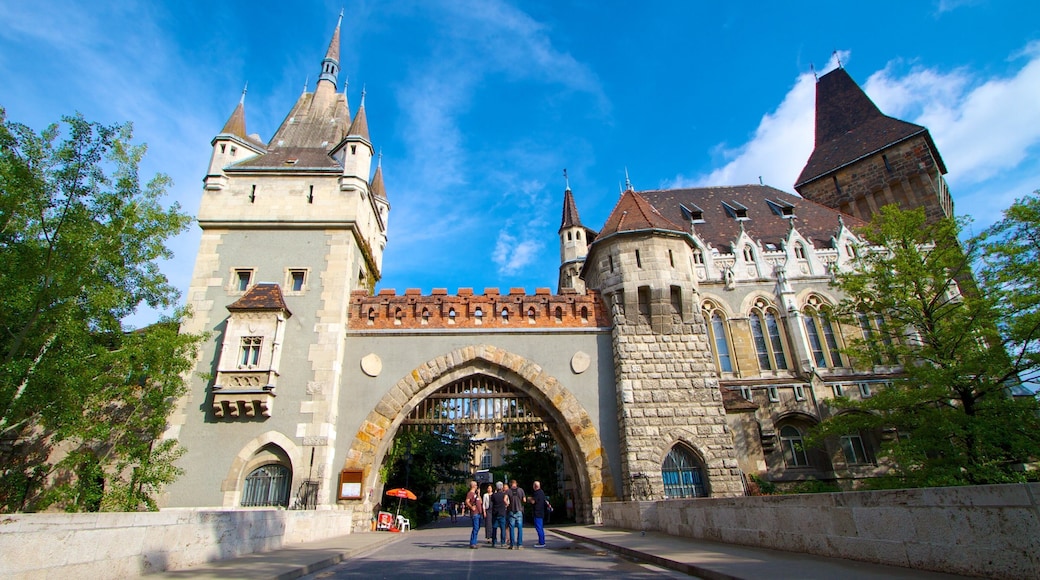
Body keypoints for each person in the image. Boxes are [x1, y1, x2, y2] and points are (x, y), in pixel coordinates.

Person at [529, 480, 552, 547]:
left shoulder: (536, 493)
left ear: (535, 486)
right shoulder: (542, 492)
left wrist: (529, 499)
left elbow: (533, 501)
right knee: (540, 527)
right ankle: (541, 541)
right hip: (541, 512)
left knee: (539, 528)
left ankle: (541, 542)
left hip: (537, 512)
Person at [506, 479, 526, 549]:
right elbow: (524, 500)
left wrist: (507, 504)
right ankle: (519, 544)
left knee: (511, 528)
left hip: (511, 510)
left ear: (511, 484)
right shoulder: (521, 490)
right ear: (516, 484)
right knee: (520, 527)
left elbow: (504, 499)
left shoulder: (508, 491)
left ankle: (512, 545)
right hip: (519, 510)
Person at [490, 481, 511, 547]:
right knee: (503, 528)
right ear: (502, 488)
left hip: (495, 513)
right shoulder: (504, 495)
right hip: (502, 513)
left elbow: (492, 500)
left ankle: (494, 541)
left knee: (494, 528)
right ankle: (502, 542)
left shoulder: (494, 495)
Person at [465, 480, 484, 549]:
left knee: (477, 527)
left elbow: (481, 501)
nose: (476, 486)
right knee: (475, 528)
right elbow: (467, 501)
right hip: (475, 513)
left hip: (479, 512)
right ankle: (473, 543)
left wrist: (479, 494)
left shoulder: (475, 494)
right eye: (476, 485)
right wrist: (471, 507)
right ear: (473, 486)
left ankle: (474, 542)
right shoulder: (470, 493)